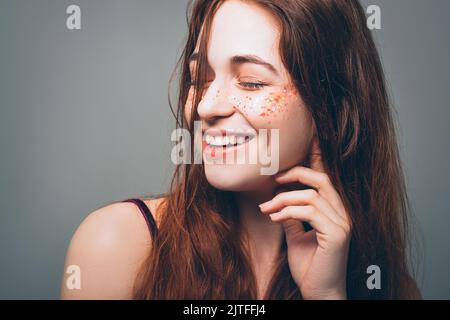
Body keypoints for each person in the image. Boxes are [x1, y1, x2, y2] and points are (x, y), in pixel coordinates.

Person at [61, 0, 421, 299]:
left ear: (329, 106)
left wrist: (327, 295)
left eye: (250, 82)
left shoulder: (392, 287)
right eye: (200, 78)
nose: (206, 107)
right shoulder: (116, 246)